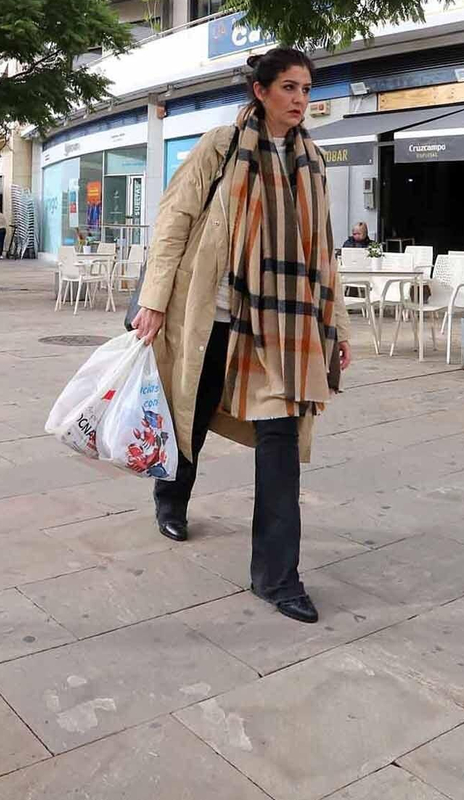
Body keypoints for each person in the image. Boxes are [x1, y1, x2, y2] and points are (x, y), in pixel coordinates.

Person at [132, 46, 350, 625]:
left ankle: (278, 578)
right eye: (289, 88)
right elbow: (174, 220)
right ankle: (171, 497)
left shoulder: (315, 161)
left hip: (283, 327)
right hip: (216, 316)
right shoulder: (220, 147)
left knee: (281, 450)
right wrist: (153, 301)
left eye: (306, 89)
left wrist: (339, 327)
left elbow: (322, 252)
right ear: (261, 91)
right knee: (193, 418)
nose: (300, 99)